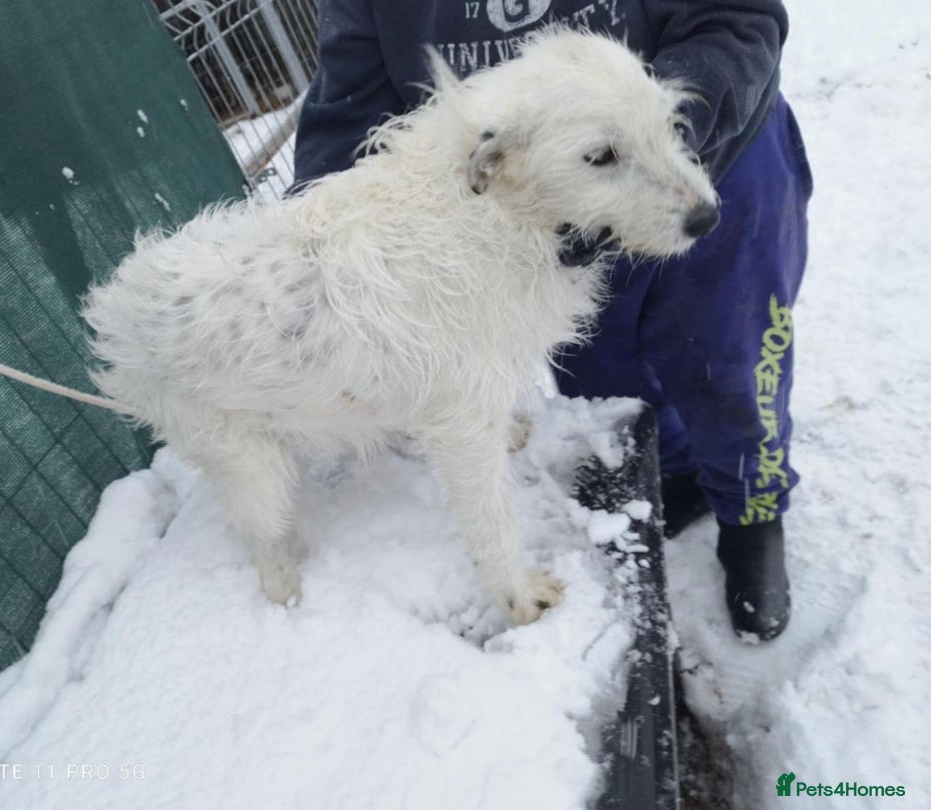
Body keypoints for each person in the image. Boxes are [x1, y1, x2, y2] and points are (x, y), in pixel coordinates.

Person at [292, 0, 812, 641]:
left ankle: (752, 508)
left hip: (709, 148)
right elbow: (349, 112)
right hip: (541, 223)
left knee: (727, 359)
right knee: (605, 375)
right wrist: (316, 271)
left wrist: (656, 136)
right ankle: (673, 472)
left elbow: (733, 16)